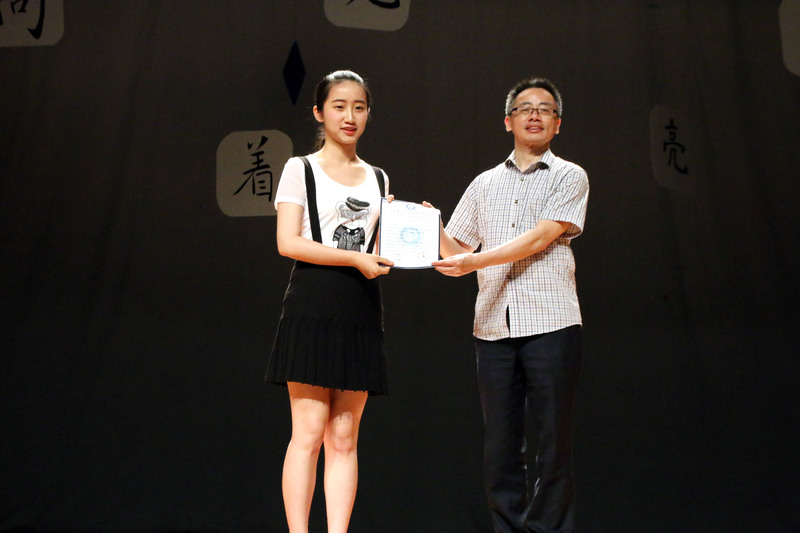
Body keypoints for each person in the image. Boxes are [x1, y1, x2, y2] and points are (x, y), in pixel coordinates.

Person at [430, 77, 589, 533]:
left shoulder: (570, 175)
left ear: (557, 124)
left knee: (553, 444)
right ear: (508, 121)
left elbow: (540, 237)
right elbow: (456, 248)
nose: (534, 115)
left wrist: (475, 260)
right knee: (500, 447)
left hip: (552, 322)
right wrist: (422, 224)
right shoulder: (484, 184)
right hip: (493, 328)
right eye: (525, 108)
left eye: (545, 109)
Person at [265, 70, 393, 533]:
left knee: (344, 435)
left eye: (359, 107)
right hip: (313, 304)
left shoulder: (378, 177)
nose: (350, 116)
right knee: (309, 432)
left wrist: (414, 228)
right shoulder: (300, 168)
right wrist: (354, 258)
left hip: (361, 307)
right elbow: (288, 242)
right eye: (339, 106)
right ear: (319, 113)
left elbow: (381, 247)